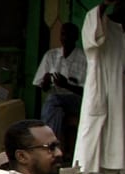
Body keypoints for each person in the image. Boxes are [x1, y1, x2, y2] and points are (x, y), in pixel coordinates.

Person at [74, 0, 125, 174]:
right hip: (101, 88)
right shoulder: (101, 23)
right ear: (119, 3)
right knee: (92, 135)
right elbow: (92, 40)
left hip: (123, 91)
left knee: (117, 137)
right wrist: (104, 4)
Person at [32, 21, 86, 161]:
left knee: (52, 101)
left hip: (77, 100)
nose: (65, 37)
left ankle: (47, 146)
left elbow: (87, 91)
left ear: (76, 37)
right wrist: (45, 81)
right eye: (62, 34)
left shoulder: (84, 58)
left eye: (69, 34)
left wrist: (66, 85)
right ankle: (55, 149)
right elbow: (42, 87)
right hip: (56, 99)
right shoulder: (51, 56)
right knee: (55, 108)